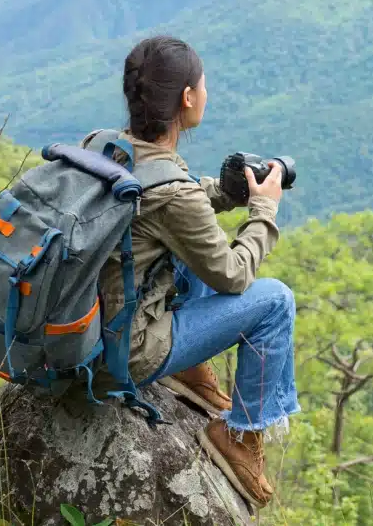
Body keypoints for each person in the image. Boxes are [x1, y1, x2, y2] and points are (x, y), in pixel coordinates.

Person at [82, 35, 299, 509]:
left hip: (89, 326)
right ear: (186, 98)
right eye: (203, 87)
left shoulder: (103, 146)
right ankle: (240, 436)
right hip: (126, 349)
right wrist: (263, 209)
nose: (205, 94)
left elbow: (168, 206)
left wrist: (222, 195)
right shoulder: (174, 194)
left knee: (190, 243)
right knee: (276, 301)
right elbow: (235, 276)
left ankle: (190, 369)